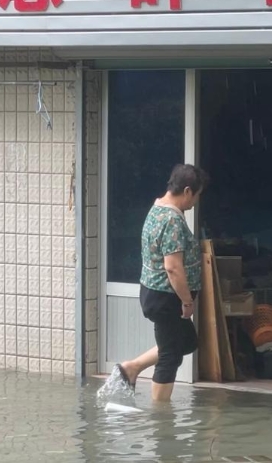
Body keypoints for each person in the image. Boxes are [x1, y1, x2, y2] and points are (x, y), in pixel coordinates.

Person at [112, 164, 208, 402]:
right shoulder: (172, 220)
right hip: (167, 298)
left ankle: (131, 368)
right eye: (196, 195)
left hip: (154, 293)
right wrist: (187, 301)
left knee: (187, 342)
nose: (195, 202)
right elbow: (172, 267)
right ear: (187, 191)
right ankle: (161, 418)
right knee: (170, 356)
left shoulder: (157, 208)